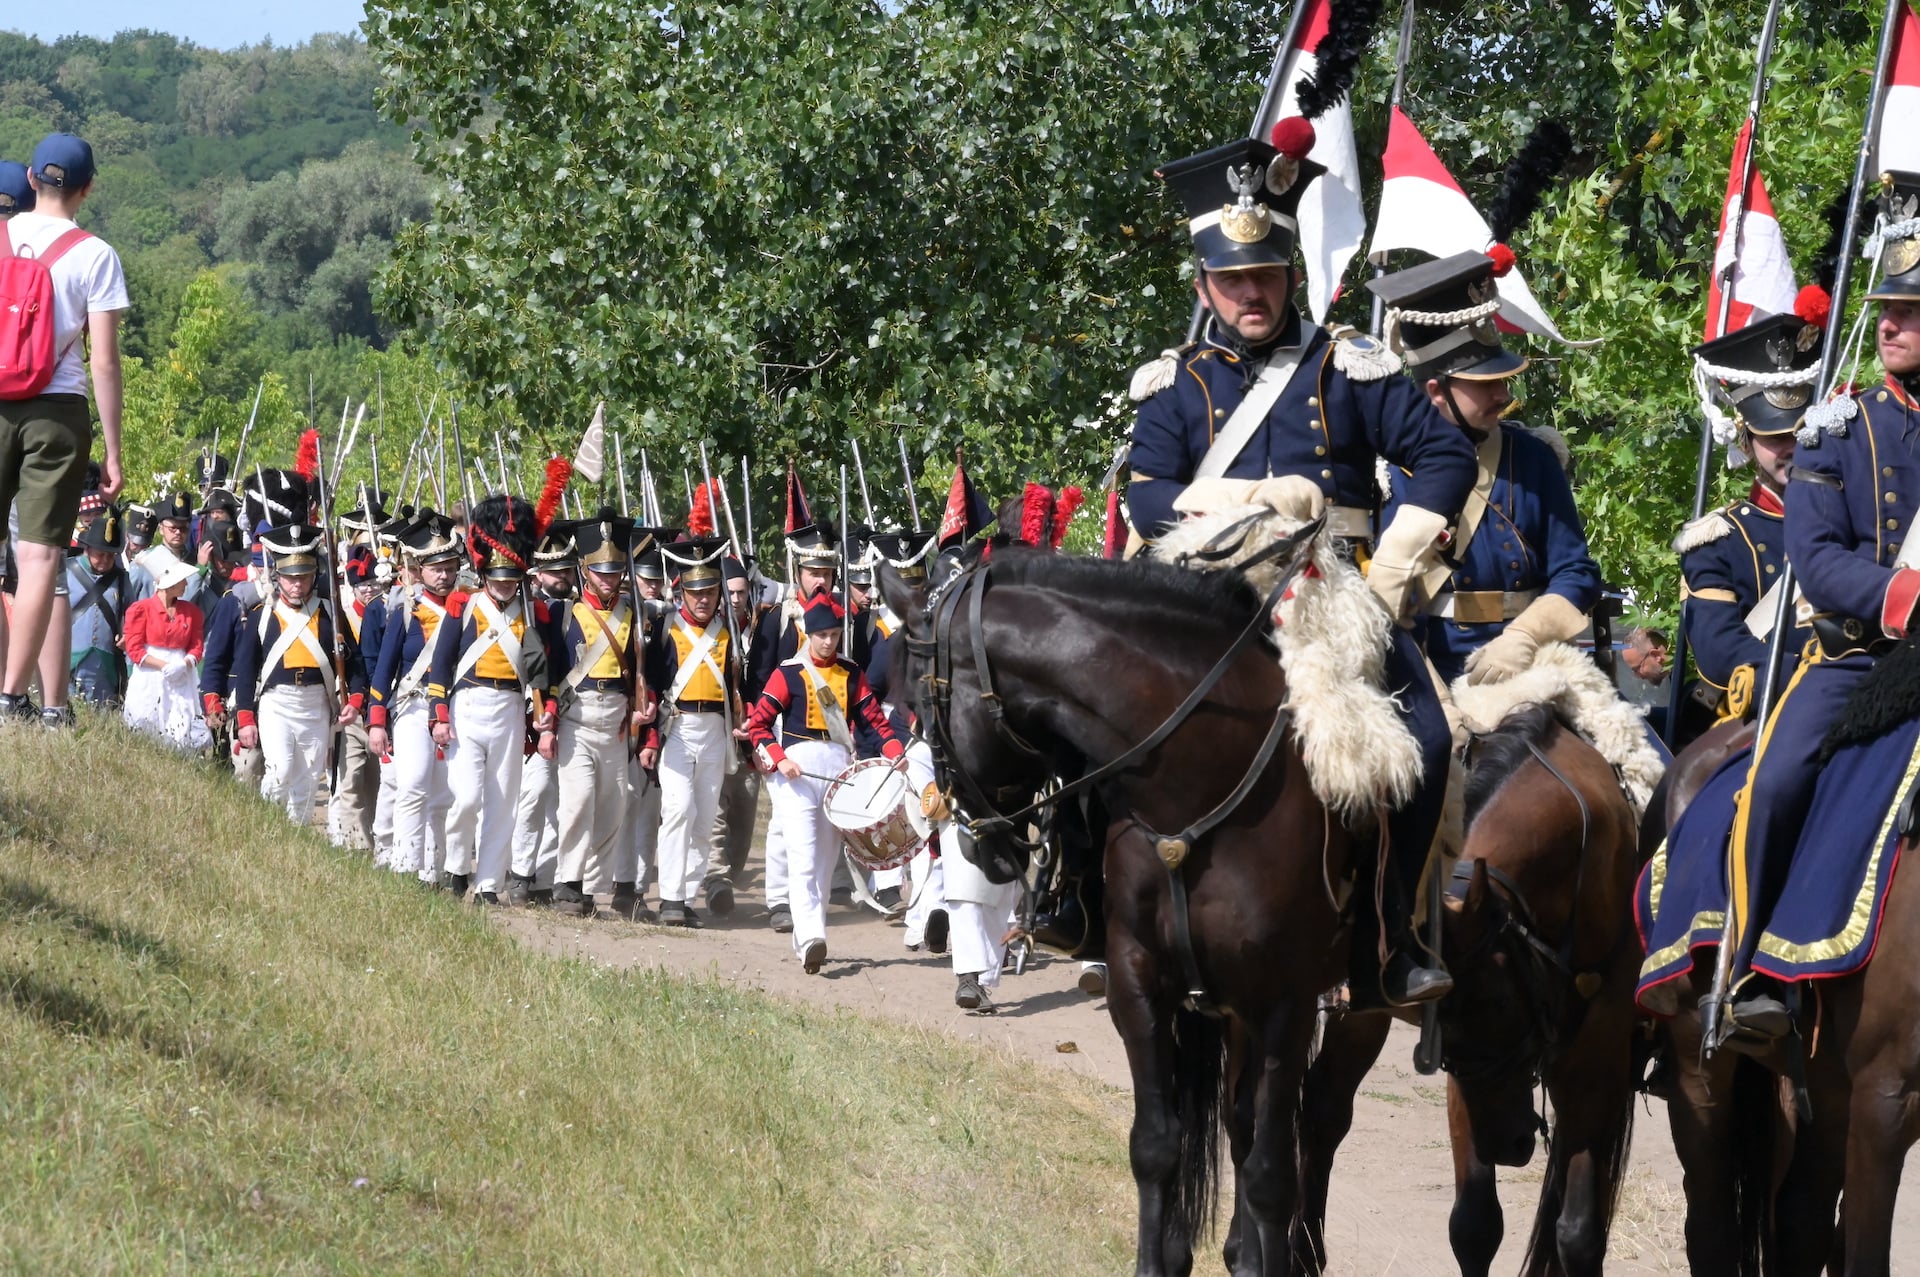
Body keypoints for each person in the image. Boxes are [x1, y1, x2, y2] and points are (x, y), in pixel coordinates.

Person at [1124, 122, 1477, 1006]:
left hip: (1332, 597)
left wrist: (1392, 565)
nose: (1252, 292)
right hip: (1205, 597)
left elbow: (1444, 456)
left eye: (1267, 274)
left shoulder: (1349, 367)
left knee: (1429, 740)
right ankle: (1093, 911)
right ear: (1204, 285)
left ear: (1291, 273)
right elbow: (1147, 494)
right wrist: (1243, 503)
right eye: (1233, 279)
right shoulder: (1176, 382)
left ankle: (1395, 936)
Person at [1701, 174, 1920, 1040]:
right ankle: (1753, 969)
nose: (1890, 324)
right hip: (1860, 658)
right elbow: (1820, 561)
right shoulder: (1836, 430)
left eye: (1909, 310)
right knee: (1778, 779)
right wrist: (1904, 594)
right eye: (1886, 310)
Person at [1373, 252, 1602, 687]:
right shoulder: (1386, 477)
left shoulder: (1533, 457)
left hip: (1532, 664)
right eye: (1484, 384)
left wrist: (1525, 636)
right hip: (1424, 672)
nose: (1502, 395)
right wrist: (1435, 699)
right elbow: (1381, 604)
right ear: (1437, 391)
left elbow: (1577, 572)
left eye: (1500, 380)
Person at [0, 134, 127, 723]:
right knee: (38, 559)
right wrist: (114, 451)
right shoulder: (95, 254)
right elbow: (104, 361)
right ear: (88, 188)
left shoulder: (2, 235)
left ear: (30, 179)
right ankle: (11, 698)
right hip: (57, 410)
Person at [1672, 310, 1822, 737]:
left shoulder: (1851, 521)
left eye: (1801, 432)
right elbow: (1720, 653)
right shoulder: (1716, 539)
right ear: (1746, 440)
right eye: (1774, 436)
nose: (1790, 447)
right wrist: (1817, 682)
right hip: (1758, 716)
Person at [745, 593, 905, 973]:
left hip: (837, 770)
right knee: (803, 856)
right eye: (822, 636)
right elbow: (759, 725)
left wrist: (895, 751)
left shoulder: (851, 673)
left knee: (825, 861)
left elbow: (874, 722)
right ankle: (811, 937)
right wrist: (780, 759)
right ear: (809, 634)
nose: (828, 642)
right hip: (797, 770)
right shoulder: (788, 673)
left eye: (834, 635)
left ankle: (809, 935)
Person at [427, 495, 561, 904]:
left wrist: (547, 712)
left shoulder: (534, 613)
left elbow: (545, 674)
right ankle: (456, 868)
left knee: (504, 803)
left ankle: (488, 884)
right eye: (497, 577)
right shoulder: (463, 605)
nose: (504, 584)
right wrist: (439, 715)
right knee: (466, 798)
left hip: (510, 709)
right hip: (468, 706)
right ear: (484, 571)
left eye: (510, 578)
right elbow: (441, 665)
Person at [745, 522, 844, 934]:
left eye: (826, 573)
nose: (820, 580)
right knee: (784, 821)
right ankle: (779, 898)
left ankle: (814, 896)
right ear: (798, 572)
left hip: (834, 731)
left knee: (828, 821)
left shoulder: (843, 619)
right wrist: (761, 741)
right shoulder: (778, 618)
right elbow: (758, 677)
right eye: (812, 572)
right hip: (784, 730)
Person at [547, 516, 648, 918]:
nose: (609, 579)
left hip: (617, 718)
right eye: (601, 571)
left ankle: (591, 888)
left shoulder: (633, 614)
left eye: (615, 571)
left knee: (613, 806)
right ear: (585, 570)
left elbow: (643, 672)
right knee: (579, 801)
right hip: (577, 715)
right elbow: (551, 670)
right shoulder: (566, 613)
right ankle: (567, 882)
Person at [231, 523, 364, 826]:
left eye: (303, 576)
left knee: (308, 782)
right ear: (278, 576)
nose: (297, 584)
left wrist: (355, 700)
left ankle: (295, 838)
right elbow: (246, 670)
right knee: (279, 771)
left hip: (317, 703)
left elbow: (354, 662)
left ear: (314, 575)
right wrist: (245, 717)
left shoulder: (331, 614)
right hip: (277, 703)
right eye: (290, 577)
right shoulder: (263, 615)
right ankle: (267, 831)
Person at [643, 535, 742, 927]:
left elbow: (738, 686)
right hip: (678, 727)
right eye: (696, 592)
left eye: (710, 591)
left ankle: (685, 897)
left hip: (715, 728)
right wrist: (650, 737)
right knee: (678, 809)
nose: (703, 599)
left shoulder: (728, 633)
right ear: (682, 591)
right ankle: (669, 896)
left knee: (703, 820)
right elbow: (651, 685)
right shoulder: (665, 628)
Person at [367, 510, 461, 886]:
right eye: (436, 568)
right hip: (413, 705)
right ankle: (405, 868)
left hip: (454, 708)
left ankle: (433, 872)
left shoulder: (467, 610)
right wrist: (377, 720)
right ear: (420, 570)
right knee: (412, 786)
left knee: (445, 796)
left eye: (449, 567)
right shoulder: (407, 611)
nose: (444, 575)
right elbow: (384, 669)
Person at [511, 524, 582, 907]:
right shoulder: (530, 610)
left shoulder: (581, 608)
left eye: (568, 570)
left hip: (574, 711)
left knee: (562, 798)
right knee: (535, 791)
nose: (563, 578)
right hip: (534, 710)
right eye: (556, 572)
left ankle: (546, 875)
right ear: (537, 574)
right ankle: (520, 872)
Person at [707, 554, 766, 904]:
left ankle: (731, 870)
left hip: (750, 738)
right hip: (715, 731)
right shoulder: (710, 631)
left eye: (741, 592)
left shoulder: (761, 629)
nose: (735, 599)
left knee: (743, 817)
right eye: (729, 592)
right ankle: (716, 877)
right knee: (714, 811)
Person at [122, 558, 210, 751]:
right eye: (181, 580)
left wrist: (184, 664)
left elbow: (196, 647)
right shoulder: (141, 609)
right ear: (168, 583)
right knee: (146, 719)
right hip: (150, 674)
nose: (186, 584)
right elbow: (134, 648)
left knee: (181, 725)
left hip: (181, 675)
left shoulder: (192, 612)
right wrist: (163, 665)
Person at [327, 548, 382, 851]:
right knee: (349, 780)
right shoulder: (343, 619)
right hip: (351, 707)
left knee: (376, 783)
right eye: (363, 585)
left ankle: (374, 839)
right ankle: (353, 845)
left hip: (379, 706)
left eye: (373, 583)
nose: (369, 590)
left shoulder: (386, 613)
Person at [67, 503, 147, 705]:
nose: (105, 560)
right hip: (66, 659)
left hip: (106, 666)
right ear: (87, 549)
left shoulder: (122, 579)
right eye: (100, 554)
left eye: (110, 555)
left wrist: (128, 634)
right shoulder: (66, 571)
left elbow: (133, 615)